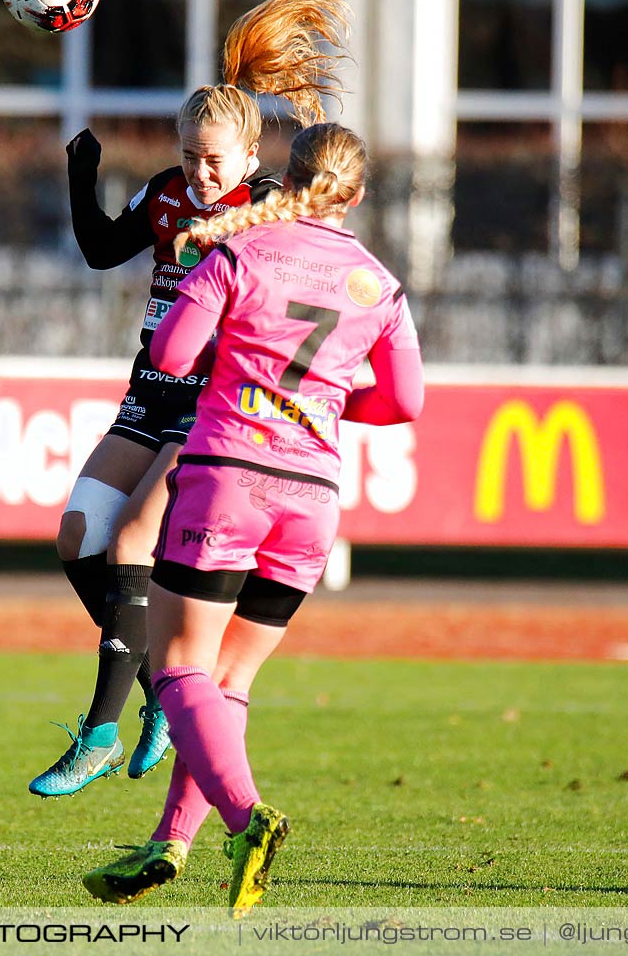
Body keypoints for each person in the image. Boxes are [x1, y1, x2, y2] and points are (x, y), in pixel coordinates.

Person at [79, 121, 424, 916]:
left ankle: (248, 818)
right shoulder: (379, 282)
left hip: (228, 475)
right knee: (228, 681)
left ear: (283, 179)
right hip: (312, 496)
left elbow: (169, 356)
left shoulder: (239, 251)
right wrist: (322, 398)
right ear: (358, 194)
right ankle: (171, 841)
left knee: (177, 671)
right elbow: (405, 401)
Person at [30, 0, 352, 798]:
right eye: (191, 155)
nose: (203, 173)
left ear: (252, 157)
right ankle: (158, 698)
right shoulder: (168, 194)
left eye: (217, 158)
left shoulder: (270, 208)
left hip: (218, 399)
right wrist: (82, 178)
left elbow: (317, 239)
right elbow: (104, 250)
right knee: (78, 534)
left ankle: (100, 729)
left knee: (135, 540)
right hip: (151, 385)